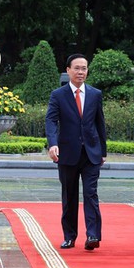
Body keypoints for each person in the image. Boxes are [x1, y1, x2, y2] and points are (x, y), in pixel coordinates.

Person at [45, 53, 107, 251]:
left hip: (91, 153)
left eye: (84, 68)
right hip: (67, 153)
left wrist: (103, 151)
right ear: (68, 70)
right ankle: (70, 236)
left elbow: (100, 123)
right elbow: (51, 121)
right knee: (69, 195)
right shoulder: (58, 95)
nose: (81, 72)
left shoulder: (95, 94)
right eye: (77, 68)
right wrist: (53, 144)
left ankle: (93, 235)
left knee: (91, 194)